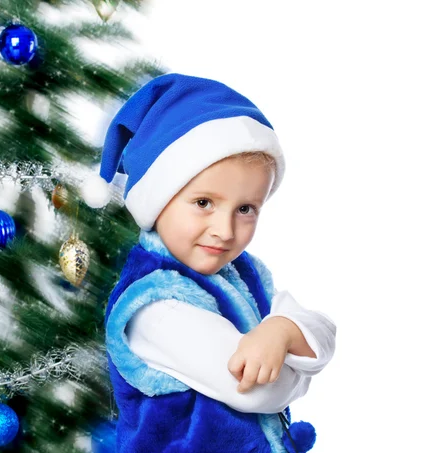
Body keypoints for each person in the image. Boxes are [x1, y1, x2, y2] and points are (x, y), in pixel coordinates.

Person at [82, 73, 336, 453]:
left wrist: (283, 330)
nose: (225, 230)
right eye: (204, 203)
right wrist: (298, 361)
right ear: (158, 198)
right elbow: (260, 391)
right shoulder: (155, 306)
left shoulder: (242, 273)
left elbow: (324, 330)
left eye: (246, 208)